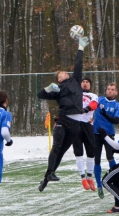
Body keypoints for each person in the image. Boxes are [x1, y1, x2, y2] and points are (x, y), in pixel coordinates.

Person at [37, 34, 89, 192]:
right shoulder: (57, 88)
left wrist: (80, 48)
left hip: (76, 123)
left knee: (62, 150)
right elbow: (40, 95)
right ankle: (51, 173)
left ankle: (47, 177)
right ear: (58, 79)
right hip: (63, 120)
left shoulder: (75, 80)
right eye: (62, 74)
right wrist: (48, 89)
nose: (65, 73)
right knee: (56, 147)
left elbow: (78, 64)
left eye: (65, 72)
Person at [93, 82, 119, 199]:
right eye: (108, 89)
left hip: (109, 135)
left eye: (112, 89)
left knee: (110, 157)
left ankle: (115, 180)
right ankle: (99, 186)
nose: (110, 91)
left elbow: (116, 121)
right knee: (97, 160)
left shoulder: (117, 105)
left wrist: (105, 114)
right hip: (96, 134)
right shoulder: (99, 100)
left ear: (116, 92)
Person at [72, 76, 98, 191]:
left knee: (91, 152)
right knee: (78, 152)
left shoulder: (93, 95)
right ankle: (83, 177)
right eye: (83, 82)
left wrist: (86, 109)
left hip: (88, 125)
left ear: (90, 85)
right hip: (76, 124)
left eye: (87, 82)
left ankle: (90, 177)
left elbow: (94, 105)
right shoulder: (75, 94)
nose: (85, 84)